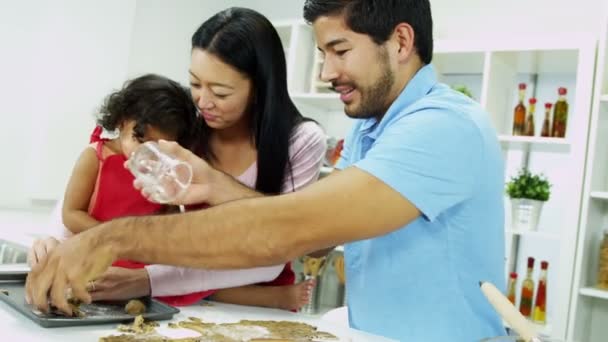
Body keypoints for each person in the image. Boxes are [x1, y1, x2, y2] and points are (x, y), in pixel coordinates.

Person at [26, 2, 506, 341]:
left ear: (401, 41)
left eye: (339, 50)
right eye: (323, 54)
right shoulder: (372, 130)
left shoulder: (443, 128)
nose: (325, 72)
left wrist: (116, 239)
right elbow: (318, 239)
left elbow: (294, 230)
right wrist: (214, 186)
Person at [28, 7, 324, 311]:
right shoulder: (186, 129)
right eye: (195, 84)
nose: (204, 103)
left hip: (252, 301)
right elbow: (86, 198)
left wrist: (146, 279)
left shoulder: (299, 141)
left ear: (260, 88)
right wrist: (51, 240)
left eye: (220, 93)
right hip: (180, 300)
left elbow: (277, 246)